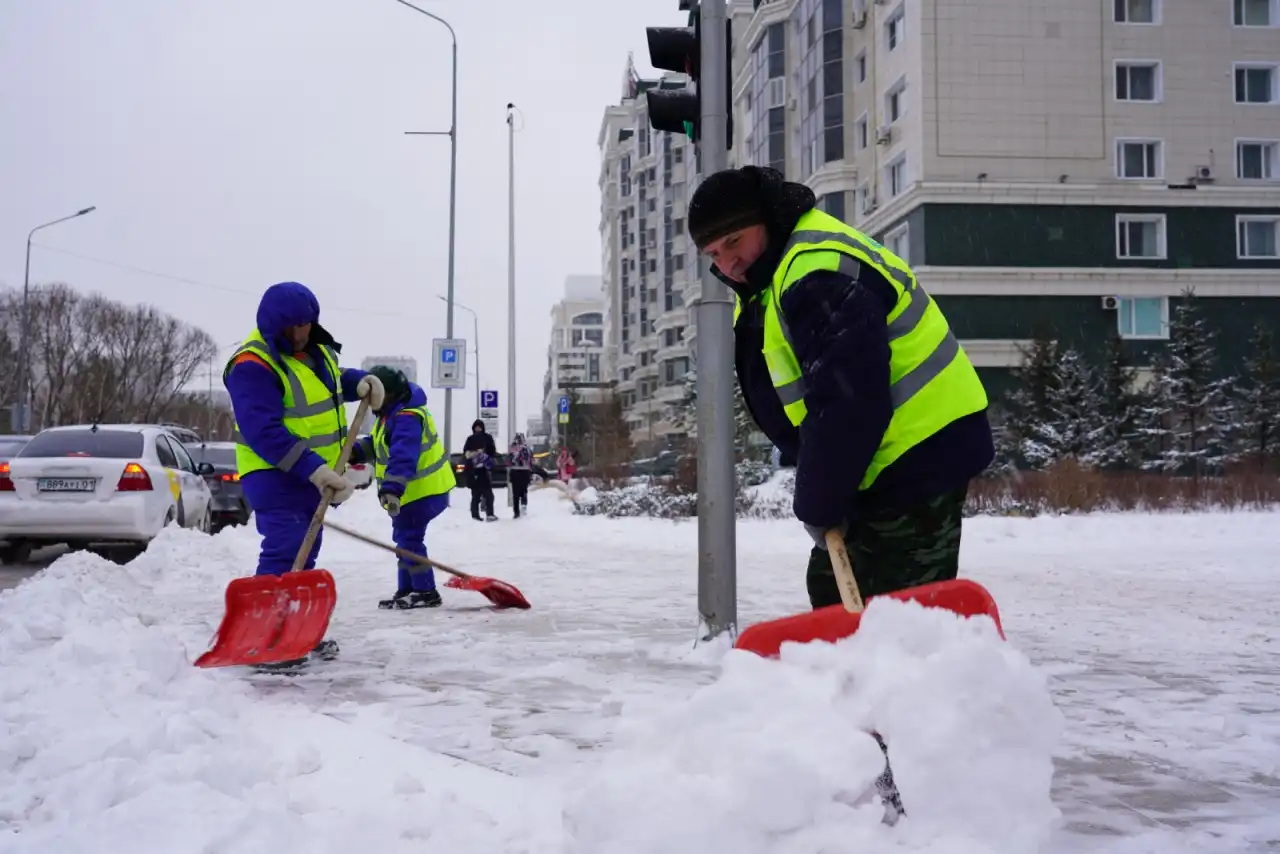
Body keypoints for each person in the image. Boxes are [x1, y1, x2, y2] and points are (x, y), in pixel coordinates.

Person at [685, 165, 994, 608]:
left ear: (766, 220)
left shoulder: (814, 272)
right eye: (713, 254)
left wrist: (818, 502)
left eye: (734, 242)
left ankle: (906, 676)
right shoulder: (776, 274)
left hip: (915, 458)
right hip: (878, 460)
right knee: (837, 592)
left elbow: (848, 401)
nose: (727, 264)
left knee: (896, 612)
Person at [223, 280, 385, 663]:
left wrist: (357, 381)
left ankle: (293, 635)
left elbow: (329, 381)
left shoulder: (315, 351)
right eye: (292, 327)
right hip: (274, 472)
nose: (300, 334)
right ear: (273, 325)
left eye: (306, 325)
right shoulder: (253, 365)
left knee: (305, 550)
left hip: (310, 475)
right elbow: (263, 431)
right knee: (285, 549)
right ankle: (266, 640)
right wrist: (313, 468)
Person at [351, 366, 454, 609]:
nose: (372, 401)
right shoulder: (390, 413)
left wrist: (392, 488)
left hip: (423, 490)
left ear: (390, 393)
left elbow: (403, 455)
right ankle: (408, 589)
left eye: (376, 394)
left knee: (409, 539)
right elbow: (379, 446)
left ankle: (425, 591)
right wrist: (355, 452)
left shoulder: (407, 417)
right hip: (412, 492)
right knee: (404, 539)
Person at [463, 419, 497, 522]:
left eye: (479, 427)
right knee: (476, 495)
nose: (478, 429)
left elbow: (492, 451)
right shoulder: (470, 439)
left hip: (484, 469)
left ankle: (490, 514)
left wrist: (485, 454)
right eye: (476, 427)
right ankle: (475, 515)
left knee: (488, 494)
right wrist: (474, 454)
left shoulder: (487, 438)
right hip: (474, 471)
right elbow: (466, 453)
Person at [508, 433, 533, 518]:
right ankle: (520, 509)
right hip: (521, 472)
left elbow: (510, 461)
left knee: (518, 493)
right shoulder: (525, 449)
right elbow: (529, 460)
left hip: (519, 472)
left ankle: (518, 510)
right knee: (521, 492)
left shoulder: (518, 449)